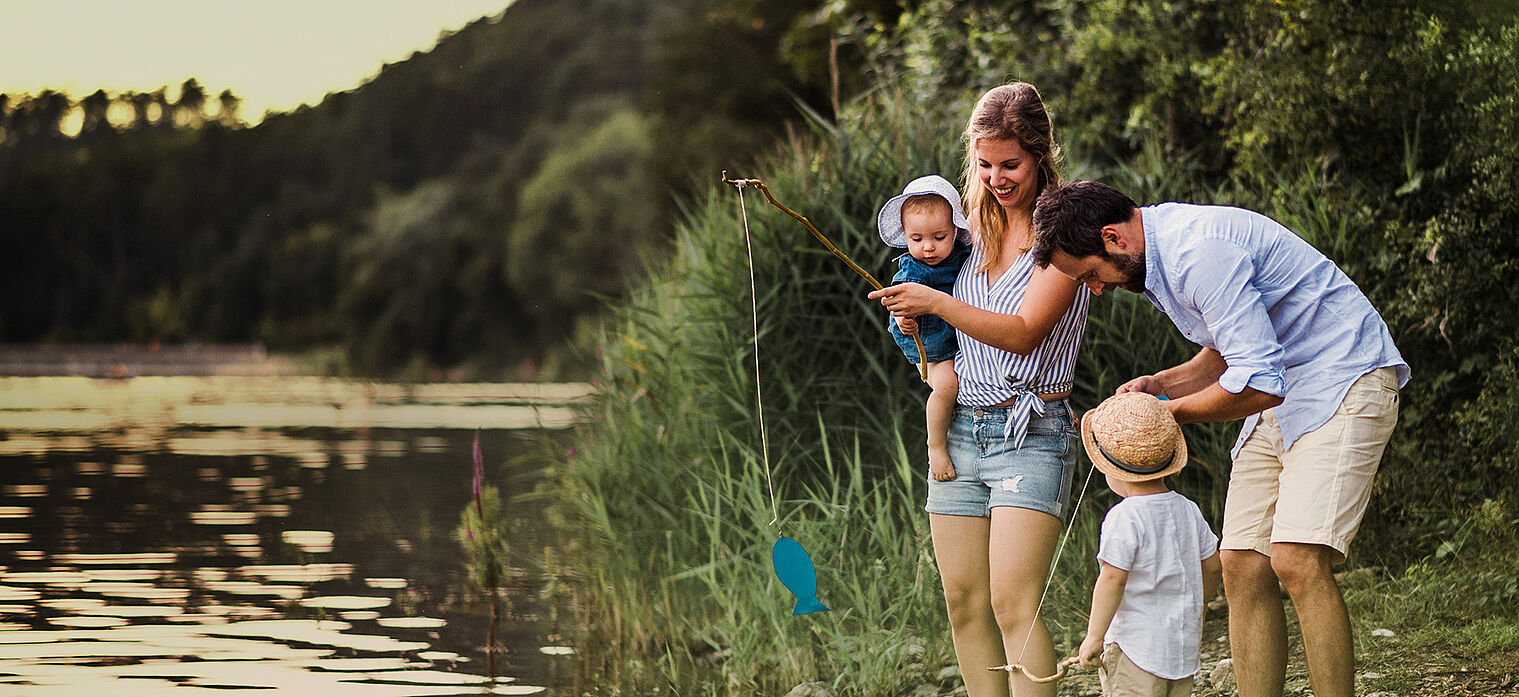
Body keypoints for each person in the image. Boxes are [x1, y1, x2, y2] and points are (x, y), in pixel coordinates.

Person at [1031, 180, 1408, 697]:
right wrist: (1161, 385)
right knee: (1241, 562)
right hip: (1282, 383)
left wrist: (1168, 415)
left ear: (1113, 237)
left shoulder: (1197, 252)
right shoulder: (1156, 261)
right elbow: (1228, 348)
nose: (1095, 289)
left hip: (1342, 373)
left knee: (1296, 558)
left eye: (1091, 275)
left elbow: (1257, 381)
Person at [868, 82, 1089, 697]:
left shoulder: (1062, 234)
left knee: (1013, 602)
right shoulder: (969, 237)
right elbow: (946, 352)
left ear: (1041, 154)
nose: (997, 177)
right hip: (962, 429)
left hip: (1032, 430)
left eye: (1010, 164)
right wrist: (916, 328)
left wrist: (936, 300)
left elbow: (1024, 333)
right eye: (985, 164)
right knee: (965, 604)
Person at [1075, 392, 1222, 697]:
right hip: (1180, 648)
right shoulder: (1188, 509)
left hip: (1134, 648)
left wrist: (1093, 636)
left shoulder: (1123, 517)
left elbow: (1113, 579)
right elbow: (1212, 565)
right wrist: (1200, 606)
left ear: (1111, 469)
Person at [876, 174, 974, 482]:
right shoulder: (913, 269)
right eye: (916, 240)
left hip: (962, 338)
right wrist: (905, 321)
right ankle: (935, 446)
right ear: (905, 235)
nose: (928, 247)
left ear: (955, 231)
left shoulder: (964, 256)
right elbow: (897, 303)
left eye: (938, 237)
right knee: (946, 386)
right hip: (931, 344)